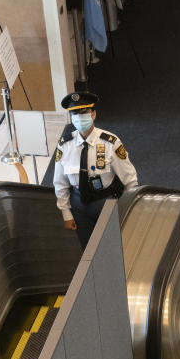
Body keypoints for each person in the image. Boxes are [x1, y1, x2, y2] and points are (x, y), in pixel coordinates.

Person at [52, 92, 138, 247]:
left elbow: (129, 178)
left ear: (93, 114)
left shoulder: (110, 142)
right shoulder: (65, 145)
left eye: (83, 112)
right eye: (74, 113)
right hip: (79, 205)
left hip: (105, 202)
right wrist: (66, 212)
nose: (79, 117)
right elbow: (60, 182)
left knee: (111, 247)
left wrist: (130, 208)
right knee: (88, 249)